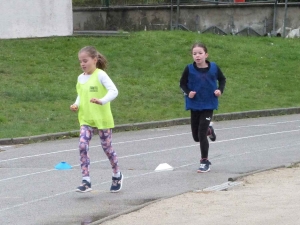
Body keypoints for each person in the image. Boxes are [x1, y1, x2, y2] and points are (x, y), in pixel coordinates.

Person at [70, 46, 123, 193]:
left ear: (94, 60)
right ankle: (86, 180)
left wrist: (102, 100)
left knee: (107, 148)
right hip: (86, 119)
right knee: (82, 145)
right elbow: (81, 94)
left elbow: (114, 91)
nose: (82, 64)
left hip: (102, 118)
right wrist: (76, 104)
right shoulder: (80, 78)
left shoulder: (101, 75)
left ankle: (117, 174)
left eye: (85, 60)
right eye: (80, 61)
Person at [179, 42, 226, 173]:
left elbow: (222, 80)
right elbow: (182, 84)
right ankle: (209, 131)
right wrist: (188, 92)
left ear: (206, 54)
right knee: (196, 137)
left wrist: (219, 90)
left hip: (209, 104)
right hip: (194, 104)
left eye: (200, 53)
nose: (197, 56)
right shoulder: (189, 69)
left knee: (201, 133)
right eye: (194, 54)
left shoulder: (214, 68)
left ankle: (204, 161)